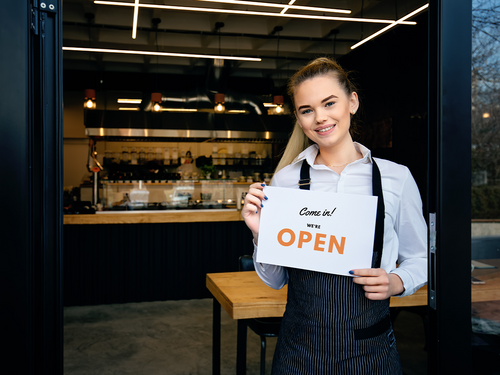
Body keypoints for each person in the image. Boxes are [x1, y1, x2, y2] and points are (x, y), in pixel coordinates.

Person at [241, 57, 427, 375]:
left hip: (371, 349)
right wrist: (261, 233)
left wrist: (396, 282)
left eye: (329, 103)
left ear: (351, 102)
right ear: (299, 119)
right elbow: (275, 281)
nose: (320, 118)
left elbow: (421, 258)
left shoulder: (396, 178)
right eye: (307, 109)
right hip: (298, 351)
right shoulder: (286, 180)